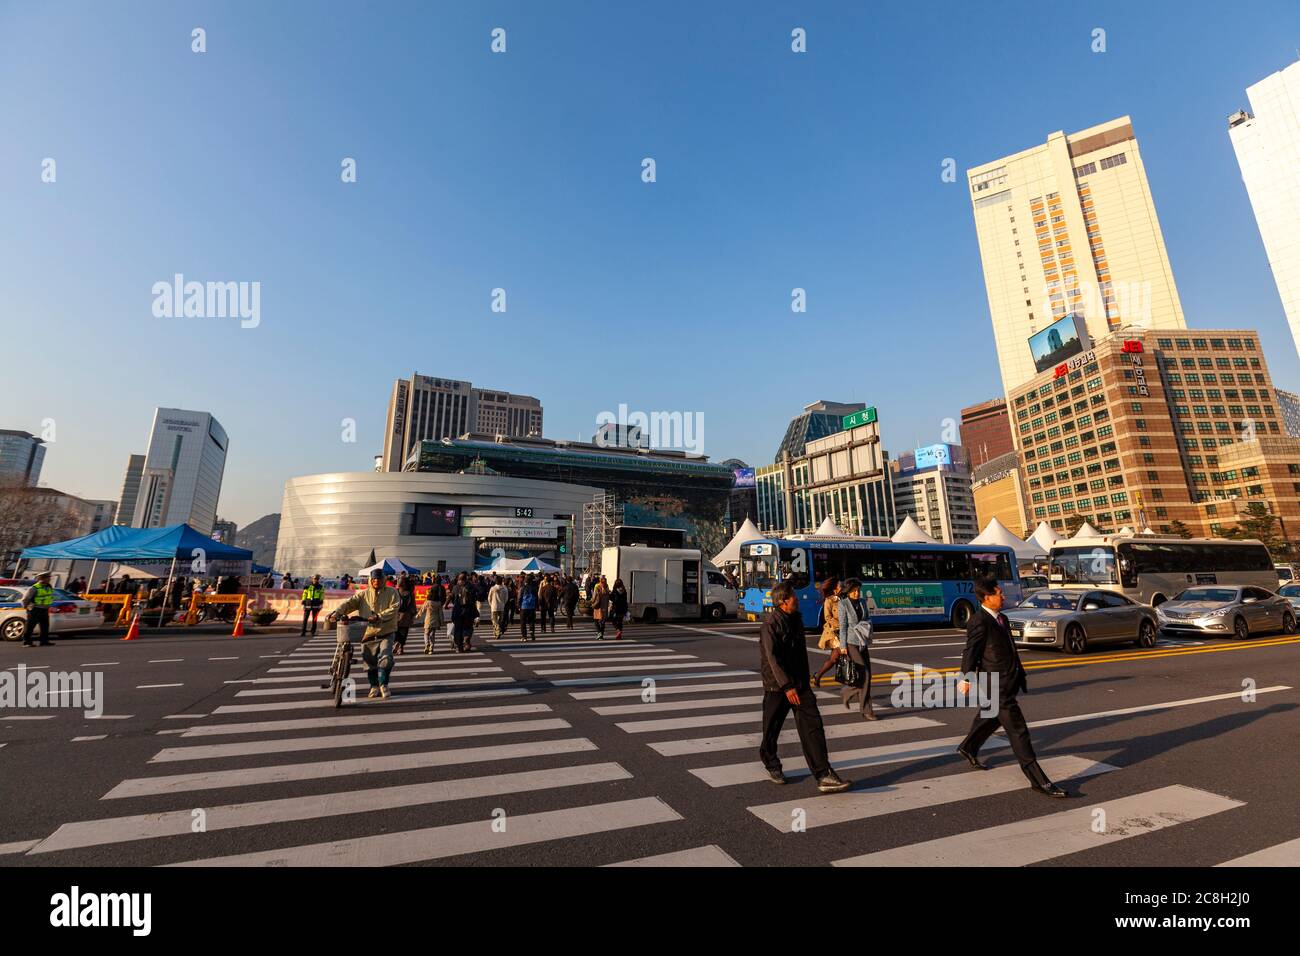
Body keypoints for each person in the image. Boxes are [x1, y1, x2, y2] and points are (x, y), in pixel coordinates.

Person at [955, 576, 1067, 798]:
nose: (1002, 596)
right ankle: (1039, 781)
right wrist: (965, 678)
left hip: (1009, 680)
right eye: (998, 593)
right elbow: (971, 651)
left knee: (991, 716)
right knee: (1018, 731)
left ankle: (968, 747)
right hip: (996, 686)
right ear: (987, 598)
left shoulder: (1002, 618)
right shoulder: (979, 621)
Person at [757, 581, 849, 792]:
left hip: (799, 684)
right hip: (778, 686)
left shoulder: (796, 619)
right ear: (783, 601)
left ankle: (823, 774)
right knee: (772, 729)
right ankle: (770, 760)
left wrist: (802, 682)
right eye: (793, 597)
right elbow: (772, 659)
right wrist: (787, 686)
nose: (797, 599)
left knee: (813, 727)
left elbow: (800, 655)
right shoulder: (771, 624)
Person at [327, 568, 401, 699]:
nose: (376, 581)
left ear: (383, 579)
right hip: (367, 633)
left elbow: (394, 608)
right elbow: (349, 603)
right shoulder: (364, 594)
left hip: (386, 632)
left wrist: (378, 616)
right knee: (369, 663)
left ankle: (384, 685)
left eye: (379, 579)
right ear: (370, 580)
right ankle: (374, 686)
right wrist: (336, 613)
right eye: (374, 579)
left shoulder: (392, 592)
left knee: (386, 660)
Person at [837, 578, 875, 719]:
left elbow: (867, 619)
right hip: (851, 643)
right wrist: (843, 646)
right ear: (848, 591)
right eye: (854, 590)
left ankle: (848, 692)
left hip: (862, 642)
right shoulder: (843, 604)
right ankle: (867, 710)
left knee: (867, 676)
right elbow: (843, 626)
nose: (857, 593)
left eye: (858, 590)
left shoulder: (863, 602)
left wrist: (866, 627)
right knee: (864, 675)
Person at [812, 578, 843, 687]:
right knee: (844, 655)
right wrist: (840, 624)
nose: (842, 587)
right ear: (835, 589)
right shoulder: (829, 601)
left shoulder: (844, 599)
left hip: (844, 632)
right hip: (834, 632)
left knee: (834, 658)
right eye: (840, 586)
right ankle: (850, 680)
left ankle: (818, 675)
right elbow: (827, 617)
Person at [19, 571, 56, 647]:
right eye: (47, 577)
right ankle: (27, 642)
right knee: (30, 626)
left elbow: (49, 597)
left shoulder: (48, 587)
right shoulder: (34, 588)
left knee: (45, 627)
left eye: (49, 577)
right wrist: (27, 608)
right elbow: (25, 599)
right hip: (35, 609)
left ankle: (44, 641)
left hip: (44, 610)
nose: (49, 579)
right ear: (42, 578)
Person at [418, 581, 444, 655]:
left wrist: (418, 615)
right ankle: (431, 648)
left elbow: (422, 609)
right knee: (432, 635)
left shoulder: (428, 602)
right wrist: (442, 622)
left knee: (426, 633)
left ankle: (427, 644)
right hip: (435, 621)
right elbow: (440, 613)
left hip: (428, 620)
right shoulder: (438, 603)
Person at [393, 576, 416, 655]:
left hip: (396, 615)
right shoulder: (410, 593)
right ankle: (401, 648)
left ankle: (397, 643)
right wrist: (413, 615)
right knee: (404, 632)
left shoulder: (396, 591)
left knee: (396, 631)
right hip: (406, 615)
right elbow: (413, 606)